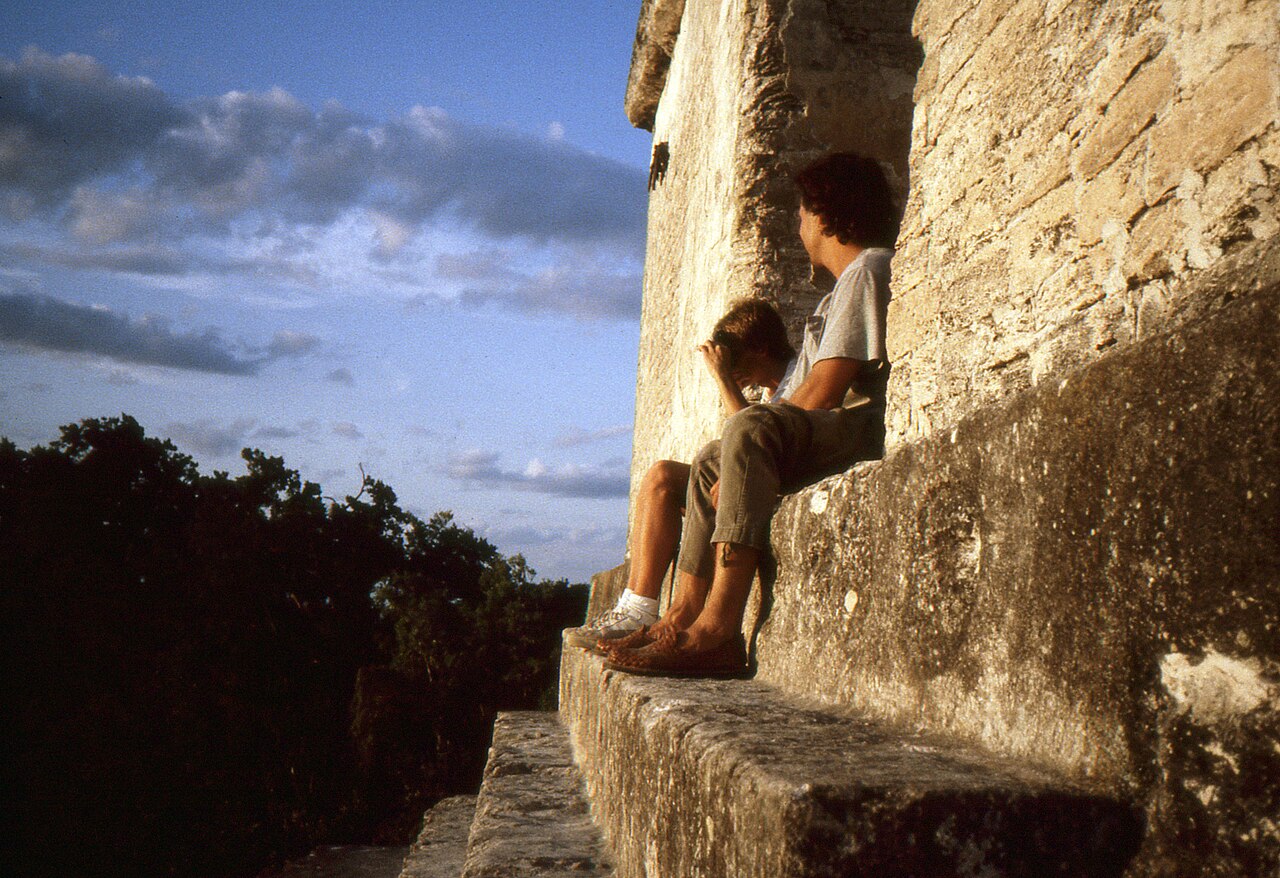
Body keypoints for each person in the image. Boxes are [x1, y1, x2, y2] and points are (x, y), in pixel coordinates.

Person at [602, 152, 899, 677]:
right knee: (712, 458)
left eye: (803, 213)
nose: (800, 225)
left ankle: (718, 629)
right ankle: (681, 616)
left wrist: (752, 442)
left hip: (851, 427)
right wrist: (736, 465)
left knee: (747, 426)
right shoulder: (843, 288)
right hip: (826, 429)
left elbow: (827, 389)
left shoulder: (866, 270)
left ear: (825, 213)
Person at [563, 299, 797, 649]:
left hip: (775, 480)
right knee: (661, 477)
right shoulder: (768, 392)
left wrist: (723, 380)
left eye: (738, 362)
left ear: (762, 348)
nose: (735, 373)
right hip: (749, 478)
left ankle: (674, 614)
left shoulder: (798, 376)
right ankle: (637, 607)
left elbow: (753, 433)